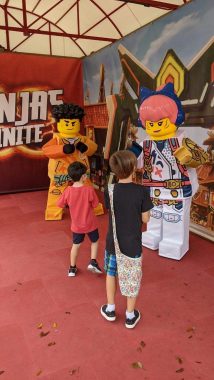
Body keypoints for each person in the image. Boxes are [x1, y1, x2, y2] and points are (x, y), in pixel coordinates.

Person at [137, 83, 209, 260]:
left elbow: (200, 159)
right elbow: (131, 159)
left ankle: (173, 241)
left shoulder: (182, 140)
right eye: (150, 123)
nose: (155, 127)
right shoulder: (144, 142)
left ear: (174, 118)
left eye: (160, 122)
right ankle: (154, 235)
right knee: (155, 214)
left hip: (176, 188)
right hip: (153, 189)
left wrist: (190, 157)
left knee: (173, 216)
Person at [100, 150, 153, 329]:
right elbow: (145, 219)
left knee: (110, 273)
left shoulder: (110, 190)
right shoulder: (142, 191)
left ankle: (110, 308)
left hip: (112, 243)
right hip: (132, 244)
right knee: (132, 277)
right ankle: (130, 315)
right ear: (133, 168)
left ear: (115, 170)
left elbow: (111, 211)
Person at [42, 103, 103, 221]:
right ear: (59, 123)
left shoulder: (82, 139)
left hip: (81, 172)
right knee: (56, 192)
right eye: (66, 123)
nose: (70, 126)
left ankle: (95, 208)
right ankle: (53, 212)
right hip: (61, 172)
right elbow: (47, 150)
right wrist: (62, 149)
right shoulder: (57, 139)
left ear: (78, 123)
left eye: (73, 123)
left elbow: (93, 148)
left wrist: (85, 147)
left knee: (87, 191)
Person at [57, 161, 102, 277]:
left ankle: (72, 268)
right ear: (83, 177)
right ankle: (93, 261)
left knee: (76, 245)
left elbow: (59, 204)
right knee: (95, 241)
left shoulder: (68, 190)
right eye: (85, 174)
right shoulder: (89, 189)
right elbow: (96, 204)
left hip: (76, 225)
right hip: (90, 224)